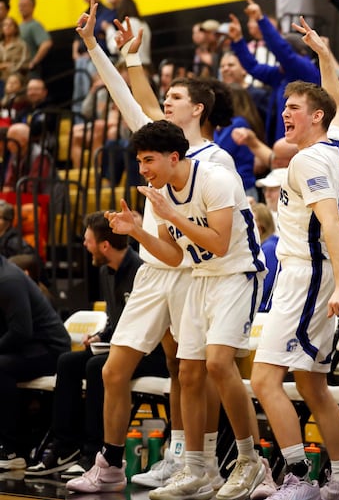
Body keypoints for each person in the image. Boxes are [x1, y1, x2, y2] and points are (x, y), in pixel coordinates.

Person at [66, 1, 256, 494]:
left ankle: (195, 459)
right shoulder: (157, 144)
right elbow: (130, 95)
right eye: (163, 97)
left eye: (175, 97)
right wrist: (108, 50)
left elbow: (217, 239)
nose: (164, 101)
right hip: (161, 261)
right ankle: (138, 462)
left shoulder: (211, 163)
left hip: (203, 267)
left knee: (189, 369)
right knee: (133, 368)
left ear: (198, 109)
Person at [103, 120, 267, 500]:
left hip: (237, 273)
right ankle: (195, 467)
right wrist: (138, 233)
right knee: (189, 370)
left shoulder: (216, 179)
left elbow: (221, 244)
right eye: (139, 161)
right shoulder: (159, 193)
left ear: (173, 157)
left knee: (218, 364)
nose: (142, 169)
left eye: (148, 160)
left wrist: (172, 215)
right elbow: (175, 255)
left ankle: (250, 460)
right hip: (199, 276)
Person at [248, 18, 339, 500]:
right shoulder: (334, 141)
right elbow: (333, 101)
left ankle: (298, 478)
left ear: (314, 117)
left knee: (263, 379)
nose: (286, 113)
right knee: (313, 386)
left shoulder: (308, 160)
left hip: (306, 275)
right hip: (305, 274)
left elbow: (333, 222)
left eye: (295, 108)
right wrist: (323, 55)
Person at [25, 212, 167, 476]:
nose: (84, 245)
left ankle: (94, 451)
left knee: (96, 366)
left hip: (151, 353)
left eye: (88, 240)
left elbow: (148, 325)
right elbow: (116, 321)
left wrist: (112, 343)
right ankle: (66, 445)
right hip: (122, 347)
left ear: (104, 246)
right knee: (68, 362)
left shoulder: (139, 271)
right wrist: (101, 336)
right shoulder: (105, 271)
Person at [0, 254, 71, 469]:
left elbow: (21, 332)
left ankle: (12, 450)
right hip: (25, 347)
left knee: (0, 368)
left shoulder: (7, 280)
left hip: (50, 348)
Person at [229, 0, 320, 147]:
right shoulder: (282, 75)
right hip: (282, 145)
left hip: (304, 144)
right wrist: (239, 41)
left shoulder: (305, 69)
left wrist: (261, 20)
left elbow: (283, 52)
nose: (278, 59)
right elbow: (254, 67)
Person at [3, 122, 51, 193]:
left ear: (23, 141)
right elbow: (8, 182)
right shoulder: (15, 155)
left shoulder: (40, 156)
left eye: (11, 141)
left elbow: (33, 187)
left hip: (43, 199)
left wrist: (12, 190)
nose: (8, 145)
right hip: (20, 196)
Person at [18, 0, 52, 77]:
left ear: (32, 7)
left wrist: (33, 62)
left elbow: (46, 43)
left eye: (25, 5)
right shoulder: (18, 27)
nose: (22, 8)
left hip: (29, 75)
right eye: (20, 5)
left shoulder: (34, 25)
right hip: (16, 74)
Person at [0, 17, 28, 83]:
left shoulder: (22, 45)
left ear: (15, 29)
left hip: (16, 79)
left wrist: (10, 67)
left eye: (10, 25)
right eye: (5, 25)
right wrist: (3, 66)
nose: (8, 27)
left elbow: (24, 64)